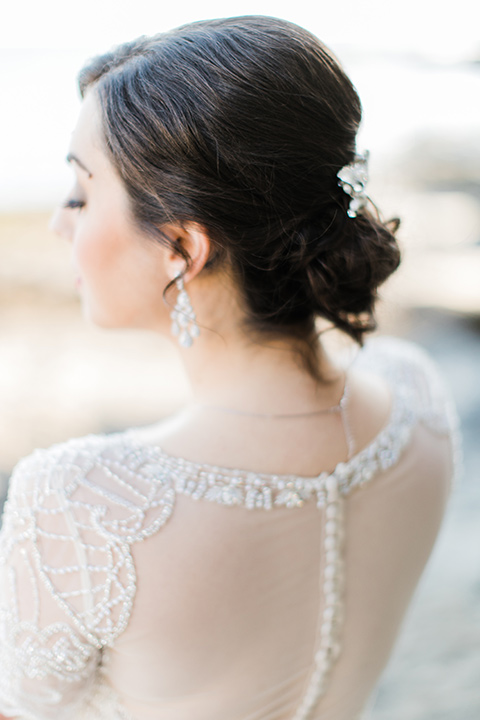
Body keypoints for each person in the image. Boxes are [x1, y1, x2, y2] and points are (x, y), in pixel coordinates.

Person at [0, 16, 457, 720]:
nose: (62, 224)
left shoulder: (77, 503)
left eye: (80, 195)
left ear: (182, 246)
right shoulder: (418, 396)